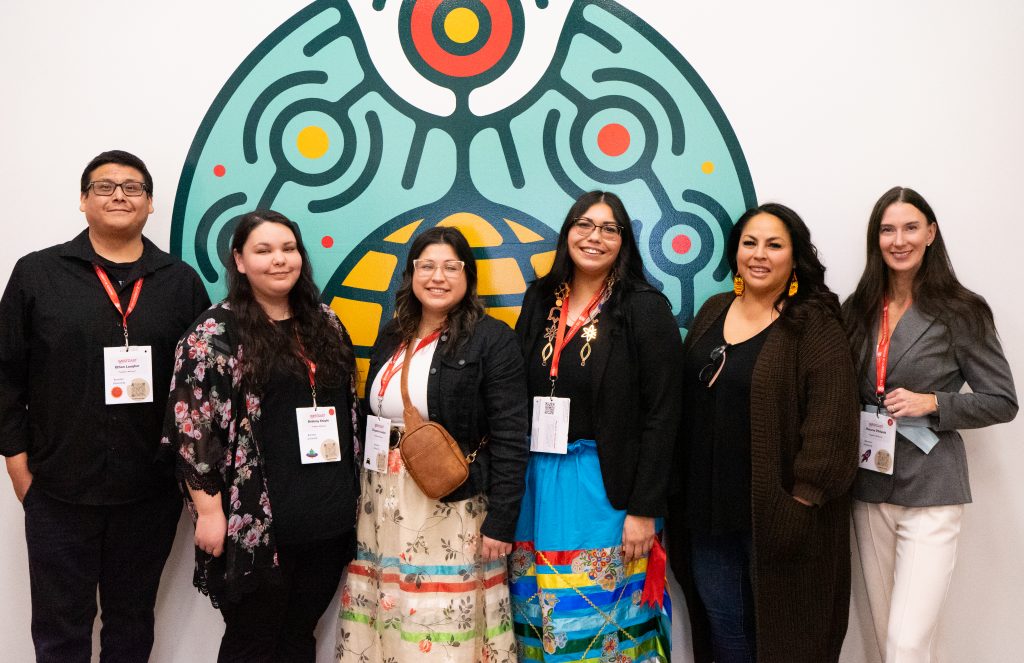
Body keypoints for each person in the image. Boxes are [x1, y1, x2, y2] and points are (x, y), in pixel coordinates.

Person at [0, 150, 210, 662]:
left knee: (131, 625)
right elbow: (6, 376)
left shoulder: (180, 283)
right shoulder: (38, 274)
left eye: (133, 187)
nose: (119, 195)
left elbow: (202, 392)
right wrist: (19, 469)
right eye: (104, 186)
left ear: (151, 203)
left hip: (149, 492)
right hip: (57, 491)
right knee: (59, 631)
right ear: (82, 200)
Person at [164, 210, 359, 662]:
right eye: (264, 250)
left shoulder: (325, 323)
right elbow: (191, 428)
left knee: (298, 636)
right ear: (240, 259)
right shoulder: (214, 333)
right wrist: (210, 512)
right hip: (255, 523)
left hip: (327, 517)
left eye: (288, 249)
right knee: (253, 641)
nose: (279, 260)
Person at [668, 202, 859, 663]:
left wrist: (802, 500)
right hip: (707, 514)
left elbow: (833, 421)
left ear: (795, 258)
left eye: (774, 245)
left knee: (785, 640)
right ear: (735, 253)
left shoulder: (812, 323)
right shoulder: (715, 310)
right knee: (725, 634)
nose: (759, 254)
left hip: (779, 517)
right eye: (749, 243)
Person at [337, 226, 528, 663]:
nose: (437, 276)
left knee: (441, 620)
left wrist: (502, 520)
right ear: (410, 274)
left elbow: (511, 436)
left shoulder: (491, 339)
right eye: (426, 266)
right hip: (383, 501)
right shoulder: (393, 333)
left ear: (468, 276)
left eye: (450, 267)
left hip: (450, 505)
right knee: (391, 612)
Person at [841, 187, 1017, 663]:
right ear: (875, 238)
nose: (899, 240)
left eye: (911, 227)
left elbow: (1002, 401)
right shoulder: (857, 307)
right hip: (869, 485)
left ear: (931, 233)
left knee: (906, 642)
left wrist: (932, 402)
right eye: (887, 229)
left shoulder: (962, 309)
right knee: (885, 641)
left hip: (932, 489)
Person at [510, 191, 681, 662]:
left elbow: (663, 413)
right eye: (584, 224)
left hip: (606, 489)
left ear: (623, 242)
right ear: (567, 232)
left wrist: (644, 509)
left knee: (601, 631)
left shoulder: (645, 308)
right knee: (537, 620)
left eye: (609, 228)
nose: (594, 237)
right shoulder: (541, 298)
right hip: (536, 483)